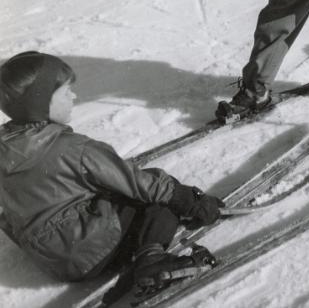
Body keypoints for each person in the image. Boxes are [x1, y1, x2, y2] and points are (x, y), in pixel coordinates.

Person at [0, 51, 223, 289]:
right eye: (65, 92)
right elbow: (138, 183)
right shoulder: (74, 149)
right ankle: (151, 260)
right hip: (94, 253)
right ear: (40, 102)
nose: (74, 96)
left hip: (50, 260)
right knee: (156, 202)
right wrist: (185, 198)